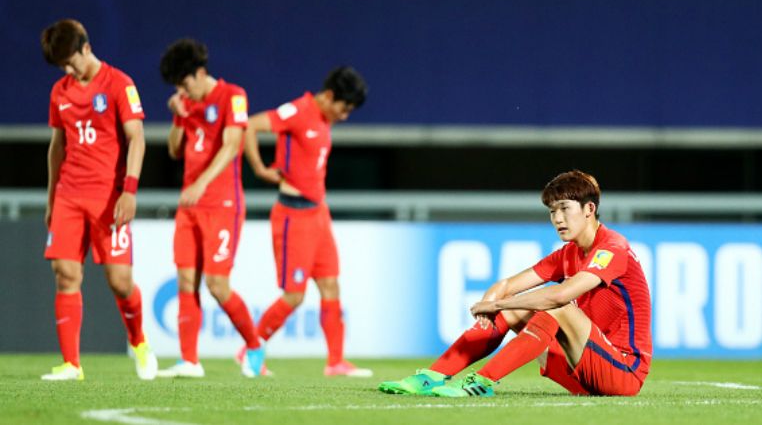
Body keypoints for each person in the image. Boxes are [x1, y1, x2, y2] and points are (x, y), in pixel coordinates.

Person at [379, 170, 652, 397]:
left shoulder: (612, 248)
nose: (557, 218)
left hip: (622, 373)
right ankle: (433, 375)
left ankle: (482, 382)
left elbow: (561, 295)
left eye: (564, 208)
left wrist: (498, 303)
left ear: (589, 209)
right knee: (513, 310)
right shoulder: (568, 253)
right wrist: (492, 308)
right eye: (552, 211)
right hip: (583, 371)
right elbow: (507, 285)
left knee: (557, 305)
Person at [40, 19, 157, 381]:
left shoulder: (120, 84)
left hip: (109, 196)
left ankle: (139, 343)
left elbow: (136, 138)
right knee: (65, 273)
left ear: (86, 48)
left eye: (70, 61)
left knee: (120, 281)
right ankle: (71, 364)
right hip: (69, 196)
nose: (68, 70)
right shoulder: (60, 92)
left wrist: (130, 190)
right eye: (61, 66)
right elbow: (57, 147)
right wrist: (50, 198)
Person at [242, 67, 372, 377]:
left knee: (330, 284)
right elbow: (249, 126)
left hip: (318, 214)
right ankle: (250, 349)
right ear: (328, 96)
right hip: (293, 216)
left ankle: (335, 362)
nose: (345, 116)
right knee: (294, 295)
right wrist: (260, 168)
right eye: (344, 108)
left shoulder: (324, 119)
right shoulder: (297, 111)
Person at [157, 38, 264, 378]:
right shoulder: (187, 103)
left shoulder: (234, 95)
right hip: (190, 205)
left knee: (217, 286)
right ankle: (189, 361)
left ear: (201, 73)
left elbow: (232, 144)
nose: (182, 90)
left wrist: (202, 183)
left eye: (185, 83)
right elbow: (175, 150)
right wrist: (177, 117)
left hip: (222, 204)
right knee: (185, 281)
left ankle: (255, 345)